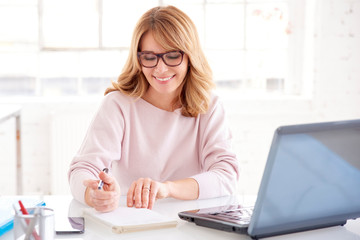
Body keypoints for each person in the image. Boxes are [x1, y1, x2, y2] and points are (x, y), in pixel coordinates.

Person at [68, 5, 239, 212]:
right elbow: (83, 169)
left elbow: (226, 175)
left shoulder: (209, 106)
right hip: (132, 223)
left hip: (191, 223)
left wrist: (168, 189)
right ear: (138, 60)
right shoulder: (117, 105)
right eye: (149, 57)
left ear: (189, 56)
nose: (160, 69)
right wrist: (94, 194)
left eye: (172, 56)